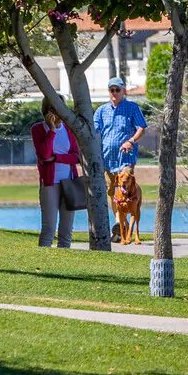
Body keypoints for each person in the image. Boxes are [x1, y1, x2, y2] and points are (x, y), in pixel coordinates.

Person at [94, 76, 147, 240]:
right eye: (112, 90)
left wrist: (131, 141)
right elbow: (95, 131)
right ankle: (121, 227)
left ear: (123, 91)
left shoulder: (132, 108)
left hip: (126, 158)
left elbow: (142, 128)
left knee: (124, 189)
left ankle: (119, 222)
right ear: (109, 91)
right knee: (113, 193)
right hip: (107, 160)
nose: (115, 93)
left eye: (118, 89)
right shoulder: (101, 110)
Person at [30, 100, 85, 248]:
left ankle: (64, 263)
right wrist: (52, 130)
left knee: (66, 230)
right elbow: (44, 154)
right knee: (49, 227)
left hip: (69, 182)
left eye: (58, 109)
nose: (56, 113)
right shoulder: (38, 129)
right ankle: (44, 261)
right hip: (50, 183)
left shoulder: (69, 129)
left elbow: (77, 157)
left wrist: (56, 158)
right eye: (52, 109)